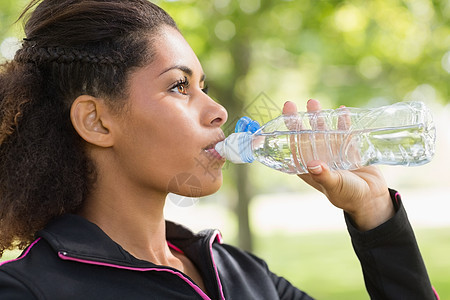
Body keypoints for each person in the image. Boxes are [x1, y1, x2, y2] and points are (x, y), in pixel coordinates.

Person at [0, 0, 439, 299]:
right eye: (179, 86)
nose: (218, 110)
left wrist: (375, 212)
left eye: (204, 86)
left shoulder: (243, 276)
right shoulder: (29, 290)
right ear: (96, 121)